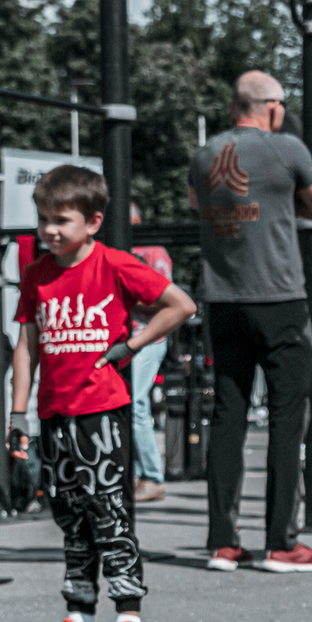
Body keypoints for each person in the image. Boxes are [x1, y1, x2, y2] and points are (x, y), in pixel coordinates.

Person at [10, 166, 195, 622]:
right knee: (70, 519)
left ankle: (130, 621)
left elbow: (180, 304)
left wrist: (131, 345)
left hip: (101, 413)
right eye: (43, 219)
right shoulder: (37, 274)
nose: (50, 230)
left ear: (92, 222)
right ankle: (80, 621)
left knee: (109, 515)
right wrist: (18, 413)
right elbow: (26, 346)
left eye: (61, 220)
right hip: (54, 413)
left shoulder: (114, 264)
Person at [193, 71, 312, 572]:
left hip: (222, 297)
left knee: (228, 416)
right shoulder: (287, 148)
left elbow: (197, 203)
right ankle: (281, 541)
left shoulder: (204, 154)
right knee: (286, 418)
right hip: (278, 297)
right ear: (273, 107)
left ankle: (222, 542)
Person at [126, 203, 173, 504]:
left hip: (148, 336)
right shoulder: (114, 249)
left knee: (135, 404)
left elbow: (168, 300)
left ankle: (152, 476)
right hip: (123, 337)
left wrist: (130, 298)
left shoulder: (153, 252)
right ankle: (134, 473)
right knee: (123, 405)